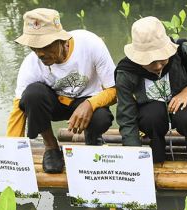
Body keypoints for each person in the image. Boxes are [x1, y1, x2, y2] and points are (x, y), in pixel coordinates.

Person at [7, 8, 117, 174]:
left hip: (86, 101)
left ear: (62, 40)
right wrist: (10, 155)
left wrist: (90, 104)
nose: (39, 53)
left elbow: (115, 90)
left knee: (101, 117)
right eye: (33, 47)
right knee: (32, 95)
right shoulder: (31, 64)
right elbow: (18, 110)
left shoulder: (90, 44)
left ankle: (93, 140)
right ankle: (51, 147)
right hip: (55, 104)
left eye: (44, 45)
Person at [115, 16, 187, 165]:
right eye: (150, 61)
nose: (157, 66)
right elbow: (126, 117)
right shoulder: (126, 72)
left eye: (162, 58)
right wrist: (134, 154)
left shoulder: (183, 50)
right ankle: (156, 145)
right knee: (151, 116)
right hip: (153, 110)